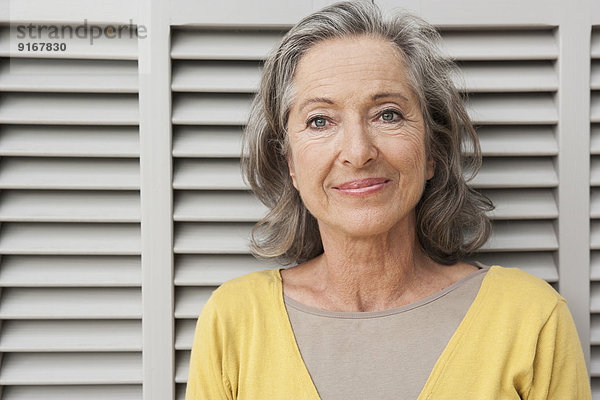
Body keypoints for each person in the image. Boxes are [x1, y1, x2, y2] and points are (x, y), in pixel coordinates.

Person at [185, 1, 591, 399]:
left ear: (432, 151)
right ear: (290, 163)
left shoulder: (531, 318)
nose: (358, 152)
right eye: (320, 121)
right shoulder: (233, 321)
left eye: (388, 114)